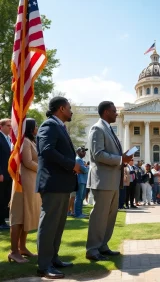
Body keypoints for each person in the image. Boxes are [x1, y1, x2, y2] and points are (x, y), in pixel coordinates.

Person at [36, 97, 80, 279]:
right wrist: (72, 165)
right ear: (61, 109)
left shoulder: (59, 126)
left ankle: (53, 259)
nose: (71, 112)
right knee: (49, 225)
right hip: (53, 183)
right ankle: (44, 265)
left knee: (58, 225)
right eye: (69, 108)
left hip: (62, 184)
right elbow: (47, 150)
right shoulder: (49, 125)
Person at [86, 101, 132, 261]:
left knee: (110, 216)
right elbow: (98, 154)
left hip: (112, 180)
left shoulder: (109, 129)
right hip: (102, 180)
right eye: (114, 111)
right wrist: (121, 158)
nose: (116, 113)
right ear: (106, 112)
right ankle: (92, 249)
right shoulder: (97, 128)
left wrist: (123, 157)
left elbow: (111, 154)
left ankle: (103, 245)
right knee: (99, 216)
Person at [8, 118, 41, 263]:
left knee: (27, 216)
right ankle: (14, 251)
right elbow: (27, 162)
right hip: (23, 184)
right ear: (30, 128)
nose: (37, 128)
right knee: (19, 217)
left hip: (31, 183)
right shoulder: (24, 142)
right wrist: (43, 169)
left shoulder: (31, 141)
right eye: (36, 126)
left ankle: (22, 247)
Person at [0, 118, 12, 230]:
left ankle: (4, 219)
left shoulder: (9, 139)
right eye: (8, 125)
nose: (10, 127)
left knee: (6, 197)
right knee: (1, 197)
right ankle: (1, 222)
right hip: (2, 174)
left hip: (9, 174)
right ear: (1, 126)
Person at [74, 147, 89, 218]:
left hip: (83, 180)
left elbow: (85, 169)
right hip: (80, 180)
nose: (84, 153)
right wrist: (89, 167)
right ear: (78, 152)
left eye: (85, 151)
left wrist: (86, 168)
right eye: (83, 151)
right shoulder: (78, 160)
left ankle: (80, 213)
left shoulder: (81, 160)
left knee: (81, 197)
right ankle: (77, 213)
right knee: (79, 197)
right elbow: (85, 170)